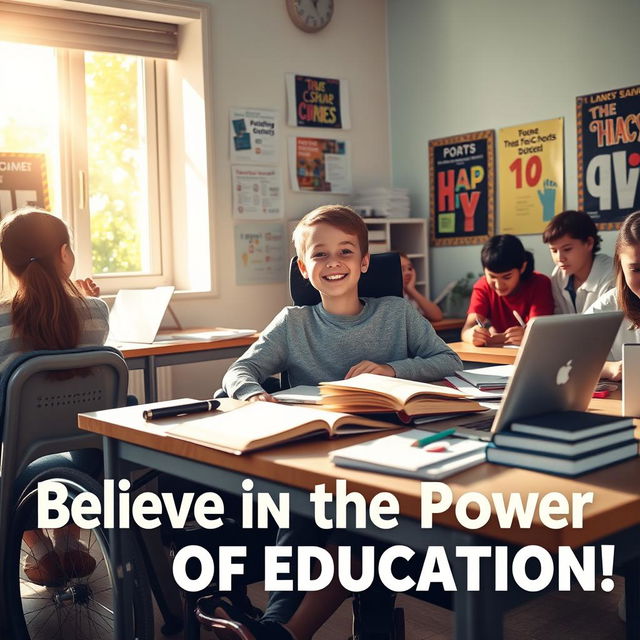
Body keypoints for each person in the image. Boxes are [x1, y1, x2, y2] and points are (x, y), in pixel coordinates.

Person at [217, 204, 462, 640]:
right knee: (303, 514)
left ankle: (282, 629)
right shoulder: (294, 322)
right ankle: (280, 623)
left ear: (364, 262)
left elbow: (448, 359)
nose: (333, 263)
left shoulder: (397, 313)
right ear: (302, 267)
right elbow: (239, 371)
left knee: (364, 516)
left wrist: (391, 370)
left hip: (392, 452)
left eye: (346, 252)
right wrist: (254, 395)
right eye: (320, 254)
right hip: (318, 454)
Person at [0, 207, 109, 586]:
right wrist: (82, 300)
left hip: (16, 470)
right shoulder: (96, 313)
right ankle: (69, 539)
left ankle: (41, 551)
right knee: (102, 426)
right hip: (88, 461)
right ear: (64, 254)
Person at [461, 234, 553, 347]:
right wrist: (472, 335)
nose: (499, 285)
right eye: (492, 276)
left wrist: (494, 338)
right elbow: (467, 329)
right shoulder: (483, 286)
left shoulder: (539, 283)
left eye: (507, 277)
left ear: (522, 267)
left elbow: (538, 334)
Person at [585, 210, 640, 381]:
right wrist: (610, 368)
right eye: (637, 269)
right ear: (620, 264)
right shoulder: (611, 304)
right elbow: (566, 359)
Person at [542, 210, 614, 314]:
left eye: (567, 249)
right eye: (554, 250)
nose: (559, 258)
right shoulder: (559, 274)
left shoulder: (612, 276)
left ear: (589, 243)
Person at [399, 252, 443, 322]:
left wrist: (411, 290)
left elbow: (437, 316)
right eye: (402, 269)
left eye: (409, 268)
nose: (408, 272)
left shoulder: (409, 296)